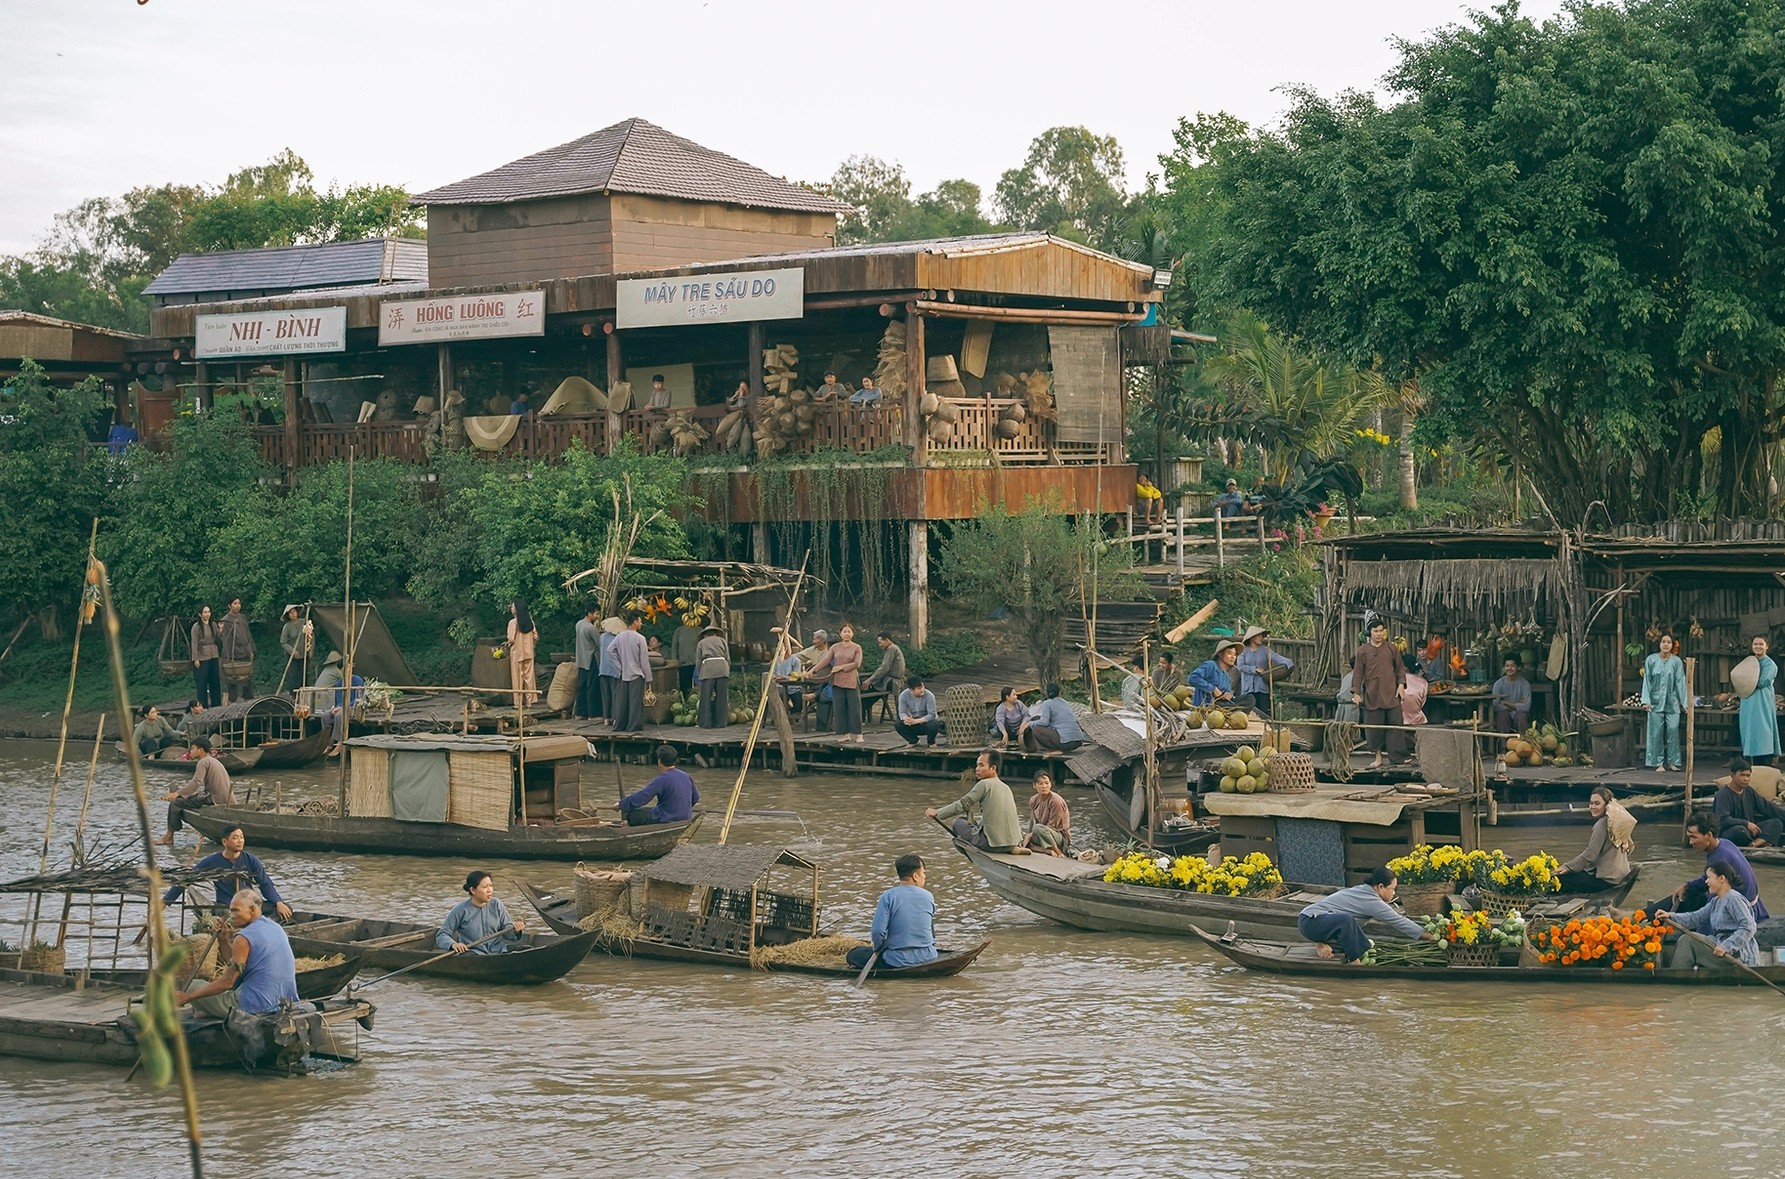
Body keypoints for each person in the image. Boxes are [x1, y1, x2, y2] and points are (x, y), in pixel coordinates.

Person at [175, 889, 297, 1018]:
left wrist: (188, 997)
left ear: (252, 910)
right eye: (231, 910)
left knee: (194, 985)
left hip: (254, 1005)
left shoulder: (243, 937)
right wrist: (223, 939)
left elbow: (228, 982)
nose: (231, 915)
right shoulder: (275, 927)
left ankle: (206, 1010)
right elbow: (236, 964)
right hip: (284, 1001)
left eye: (235, 910)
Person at [1296, 867, 1434, 963]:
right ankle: (1355, 963)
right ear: (1380, 887)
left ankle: (1326, 945)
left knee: (1355, 935)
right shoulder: (1370, 899)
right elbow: (1398, 921)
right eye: (1392, 889)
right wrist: (1428, 935)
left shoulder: (1366, 892)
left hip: (1322, 924)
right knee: (1347, 921)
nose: (1393, 894)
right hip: (1310, 920)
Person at [1650, 812, 1769, 919]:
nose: (1691, 842)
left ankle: (1647, 917)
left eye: (1694, 837)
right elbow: (1709, 879)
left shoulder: (1720, 858)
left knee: (1692, 901)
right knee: (1687, 892)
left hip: (1742, 912)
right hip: (1745, 903)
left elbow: (1714, 899)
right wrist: (1687, 885)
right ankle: (1647, 915)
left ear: (1709, 835)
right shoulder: (1723, 843)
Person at [163, 825, 293, 921]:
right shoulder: (212, 861)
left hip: (249, 905)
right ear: (225, 841)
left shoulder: (250, 860)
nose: (240, 841)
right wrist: (165, 901)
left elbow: (265, 884)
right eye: (235, 838)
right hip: (226, 906)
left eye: (242, 837)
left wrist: (278, 902)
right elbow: (187, 879)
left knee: (285, 909)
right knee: (226, 916)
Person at [1659, 861, 1760, 970]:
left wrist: (1727, 946)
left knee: (1688, 941)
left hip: (1737, 955)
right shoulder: (1716, 901)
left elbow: (1749, 926)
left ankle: (1677, 977)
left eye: (1709, 877)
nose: (1706, 881)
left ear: (1721, 879)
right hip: (1720, 946)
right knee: (1688, 939)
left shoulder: (1733, 898)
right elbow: (1695, 918)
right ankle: (1680, 973)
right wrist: (1670, 916)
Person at [844, 854, 938, 971]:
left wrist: (879, 948)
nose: (924, 876)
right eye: (923, 873)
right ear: (915, 876)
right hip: (928, 956)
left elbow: (878, 932)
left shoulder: (888, 896)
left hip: (897, 959)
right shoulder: (928, 896)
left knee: (853, 954)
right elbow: (931, 931)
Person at [927, 750, 1021, 852]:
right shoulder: (1006, 787)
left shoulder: (984, 784)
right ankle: (1012, 848)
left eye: (981, 765)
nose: (977, 769)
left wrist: (938, 812)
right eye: (977, 765)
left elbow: (962, 804)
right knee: (969, 821)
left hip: (991, 844)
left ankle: (974, 851)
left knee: (958, 823)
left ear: (993, 768)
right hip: (1013, 842)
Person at [1351, 615, 1407, 769]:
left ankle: (1397, 758)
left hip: (1392, 694)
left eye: (1381, 631)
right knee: (1374, 729)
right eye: (1376, 631)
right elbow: (1358, 673)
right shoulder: (1363, 651)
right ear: (1370, 632)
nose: (1379, 634)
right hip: (1372, 695)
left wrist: (1401, 685)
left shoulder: (1391, 648)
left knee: (1396, 725)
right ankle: (1378, 757)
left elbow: (1400, 668)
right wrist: (1356, 692)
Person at [157, 736, 234, 846]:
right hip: (224, 798)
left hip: (214, 798)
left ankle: (169, 836)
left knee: (175, 803)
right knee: (185, 798)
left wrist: (177, 793)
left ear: (201, 750)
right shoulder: (214, 761)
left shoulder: (203, 762)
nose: (190, 752)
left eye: (192, 749)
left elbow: (196, 782)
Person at [1556, 787, 1636, 892]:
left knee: (1558, 879)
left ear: (1607, 805)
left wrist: (1568, 867)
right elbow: (1631, 847)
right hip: (1620, 876)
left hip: (1606, 881)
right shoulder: (1617, 822)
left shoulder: (1602, 824)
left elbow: (1590, 854)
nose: (1593, 807)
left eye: (1597, 803)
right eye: (1591, 803)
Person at [437, 870, 525, 955]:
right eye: (485, 887)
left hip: (499, 950)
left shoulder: (497, 904)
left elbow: (508, 933)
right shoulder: (461, 910)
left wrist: (516, 930)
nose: (489, 890)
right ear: (473, 890)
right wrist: (453, 944)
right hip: (473, 953)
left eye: (490, 886)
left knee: (526, 949)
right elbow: (442, 934)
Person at [1712, 758, 1785, 848]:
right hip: (1732, 831)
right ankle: (1763, 842)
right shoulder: (1723, 794)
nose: (1746, 779)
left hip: (1751, 830)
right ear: (1732, 775)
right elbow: (1723, 819)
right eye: (1742, 775)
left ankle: (1755, 844)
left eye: (1748, 775)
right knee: (1740, 831)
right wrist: (1746, 823)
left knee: (1776, 823)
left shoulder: (1748, 791)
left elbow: (1766, 806)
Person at [811, 623, 865, 742]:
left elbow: (857, 664)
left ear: (852, 633)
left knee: (854, 708)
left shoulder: (856, 648)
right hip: (837, 680)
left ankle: (858, 733)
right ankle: (844, 733)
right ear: (840, 634)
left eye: (849, 631)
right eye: (844, 632)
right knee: (839, 708)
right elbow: (826, 660)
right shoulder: (835, 647)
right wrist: (813, 670)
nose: (846, 634)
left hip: (851, 680)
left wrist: (840, 667)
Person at [1641, 634, 1688, 771]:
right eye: (1663, 642)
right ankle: (1658, 762)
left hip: (1672, 701)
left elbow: (1681, 682)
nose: (1666, 644)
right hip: (1655, 701)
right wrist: (1646, 700)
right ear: (1659, 644)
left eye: (1668, 642)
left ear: (1673, 645)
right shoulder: (1651, 660)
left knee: (1673, 730)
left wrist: (1685, 703)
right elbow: (1647, 681)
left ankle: (1673, 761)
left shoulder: (1676, 662)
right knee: (1656, 732)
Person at [619, 746, 700, 825]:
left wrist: (622, 804)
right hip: (685, 817)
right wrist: (681, 808)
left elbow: (644, 796)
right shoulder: (686, 776)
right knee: (646, 810)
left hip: (666, 817)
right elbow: (695, 797)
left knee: (632, 815)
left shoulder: (662, 779)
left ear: (659, 761)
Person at [1737, 634, 1779, 766]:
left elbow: (1762, 681)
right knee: (1750, 729)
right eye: (1755, 644)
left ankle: (1765, 763)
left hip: (1762, 700)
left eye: (1761, 644)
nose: (1758, 646)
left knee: (1762, 728)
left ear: (1767, 646)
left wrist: (1747, 679)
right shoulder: (1749, 662)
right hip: (1748, 700)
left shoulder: (1770, 664)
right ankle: (1752, 763)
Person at [1236, 626, 1293, 713]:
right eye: (1258, 636)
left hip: (1262, 687)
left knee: (1265, 712)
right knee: (1250, 713)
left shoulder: (1265, 650)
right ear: (1252, 637)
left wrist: (1288, 662)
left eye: (1261, 636)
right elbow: (1240, 666)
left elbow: (1276, 657)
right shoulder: (1243, 651)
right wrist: (1254, 669)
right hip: (1248, 689)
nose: (1261, 638)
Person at [611, 612, 650, 733]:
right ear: (635, 622)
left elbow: (610, 650)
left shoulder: (620, 636)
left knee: (623, 701)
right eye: (639, 621)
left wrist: (619, 666)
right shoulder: (640, 638)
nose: (641, 623)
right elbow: (644, 659)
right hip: (636, 673)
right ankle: (633, 725)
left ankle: (620, 724)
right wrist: (648, 677)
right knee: (635, 702)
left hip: (624, 673)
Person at [1027, 682, 1085, 752]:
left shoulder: (1047, 703)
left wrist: (1029, 724)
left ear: (1047, 693)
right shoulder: (1065, 702)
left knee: (1037, 729)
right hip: (1078, 741)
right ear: (1059, 692)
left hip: (1066, 743)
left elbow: (1044, 722)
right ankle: (1057, 748)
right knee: (1037, 719)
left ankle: (1052, 750)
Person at [1024, 771, 1071, 855]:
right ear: (1034, 785)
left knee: (1037, 828)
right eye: (1040, 783)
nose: (1044, 786)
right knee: (1023, 840)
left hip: (1059, 836)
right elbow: (1032, 823)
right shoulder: (1033, 800)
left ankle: (1058, 852)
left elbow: (1053, 826)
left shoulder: (1056, 801)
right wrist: (1028, 836)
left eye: (1046, 783)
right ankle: (1047, 851)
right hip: (1042, 832)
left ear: (1051, 784)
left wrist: (1031, 834)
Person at [219, 598, 255, 703]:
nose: (237, 606)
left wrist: (251, 650)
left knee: (247, 678)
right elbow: (225, 639)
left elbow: (248, 634)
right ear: (229, 606)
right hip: (233, 653)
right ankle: (232, 701)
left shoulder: (242, 617)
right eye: (235, 604)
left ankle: (248, 699)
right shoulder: (226, 620)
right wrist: (229, 655)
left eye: (239, 603)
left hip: (245, 650)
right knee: (232, 679)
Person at [505, 599, 539, 709]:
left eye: (512, 606)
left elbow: (511, 639)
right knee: (529, 677)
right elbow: (536, 637)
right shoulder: (530, 622)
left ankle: (518, 703)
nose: (511, 608)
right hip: (529, 653)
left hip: (517, 653)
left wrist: (508, 643)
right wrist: (530, 644)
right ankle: (529, 701)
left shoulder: (512, 623)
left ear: (517, 609)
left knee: (517, 679)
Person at [695, 624, 731, 728]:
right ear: (715, 633)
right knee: (722, 697)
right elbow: (727, 658)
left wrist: (700, 672)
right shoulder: (722, 641)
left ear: (705, 635)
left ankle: (705, 723)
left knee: (705, 697)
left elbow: (698, 661)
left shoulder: (701, 643)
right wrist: (727, 669)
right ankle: (721, 722)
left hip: (708, 668)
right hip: (722, 667)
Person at [799, 629, 835, 730]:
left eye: (815, 639)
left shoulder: (832, 653)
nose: (813, 641)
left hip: (831, 682)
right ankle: (822, 726)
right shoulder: (813, 649)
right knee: (821, 692)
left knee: (823, 696)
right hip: (819, 681)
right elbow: (799, 656)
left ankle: (815, 695)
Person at [1188, 640, 1241, 709]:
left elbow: (1228, 691)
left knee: (1249, 699)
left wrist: (1229, 695)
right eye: (1229, 653)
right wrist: (1213, 689)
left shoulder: (1226, 676)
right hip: (1205, 707)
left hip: (1220, 707)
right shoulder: (1211, 665)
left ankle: (1236, 707)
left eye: (1235, 654)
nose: (1233, 657)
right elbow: (1193, 678)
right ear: (1220, 654)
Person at [190, 605, 222, 709]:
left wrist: (220, 629)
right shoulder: (196, 627)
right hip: (202, 656)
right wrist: (195, 658)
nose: (207, 614)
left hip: (213, 654)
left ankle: (216, 704)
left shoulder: (213, 624)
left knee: (215, 681)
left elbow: (218, 638)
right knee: (202, 683)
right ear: (200, 614)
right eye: (205, 612)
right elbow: (194, 643)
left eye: (208, 612)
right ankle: (203, 705)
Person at [895, 675, 941, 746]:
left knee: (934, 724)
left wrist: (916, 721)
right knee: (898, 724)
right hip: (912, 721)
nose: (922, 690)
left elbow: (932, 715)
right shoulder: (903, 695)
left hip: (925, 722)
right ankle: (913, 740)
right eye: (919, 688)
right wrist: (907, 719)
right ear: (911, 690)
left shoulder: (929, 695)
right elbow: (902, 712)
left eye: (922, 687)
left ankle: (931, 742)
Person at [574, 606, 602, 720]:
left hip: (581, 659)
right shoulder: (590, 628)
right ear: (589, 613)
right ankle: (593, 714)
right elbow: (599, 642)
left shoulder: (579, 624)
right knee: (592, 687)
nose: (597, 616)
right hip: (591, 659)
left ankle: (580, 713)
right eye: (596, 614)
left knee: (582, 687)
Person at [1491, 658, 1531, 734]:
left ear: (1518, 667)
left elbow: (1526, 707)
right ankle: (1503, 745)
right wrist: (1517, 704)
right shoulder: (1498, 684)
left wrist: (1505, 703)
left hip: (1520, 713)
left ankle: (1523, 743)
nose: (1509, 668)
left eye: (1512, 666)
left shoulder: (1524, 684)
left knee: (1520, 717)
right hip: (1504, 713)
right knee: (1502, 715)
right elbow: (1495, 706)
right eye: (1507, 666)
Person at [277, 605, 310, 697]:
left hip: (304, 652)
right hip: (292, 655)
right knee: (293, 675)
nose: (293, 614)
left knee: (304, 674)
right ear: (288, 615)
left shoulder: (303, 622)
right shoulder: (287, 627)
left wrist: (310, 650)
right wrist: (293, 651)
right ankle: (294, 695)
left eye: (294, 612)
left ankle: (304, 694)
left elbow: (311, 635)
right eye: (291, 613)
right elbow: (283, 642)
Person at [863, 631, 907, 697]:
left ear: (887, 640)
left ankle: (864, 706)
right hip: (893, 680)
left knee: (868, 685)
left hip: (893, 681)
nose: (879, 645)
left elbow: (884, 667)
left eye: (880, 643)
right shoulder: (894, 648)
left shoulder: (891, 648)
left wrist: (870, 680)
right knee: (872, 683)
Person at [597, 616, 624, 723]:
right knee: (615, 694)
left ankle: (605, 718)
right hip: (614, 669)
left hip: (603, 669)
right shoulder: (618, 638)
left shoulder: (602, 637)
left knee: (605, 695)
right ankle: (615, 717)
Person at [670, 618, 702, 698]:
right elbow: (674, 647)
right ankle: (685, 704)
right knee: (684, 687)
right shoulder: (679, 630)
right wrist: (674, 661)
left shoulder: (699, 630)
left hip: (697, 662)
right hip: (683, 662)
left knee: (698, 686)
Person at [1400, 653, 1430, 727]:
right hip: (1419, 721)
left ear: (1405, 667)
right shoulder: (1423, 682)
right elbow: (1422, 702)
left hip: (1398, 721)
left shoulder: (1394, 680)